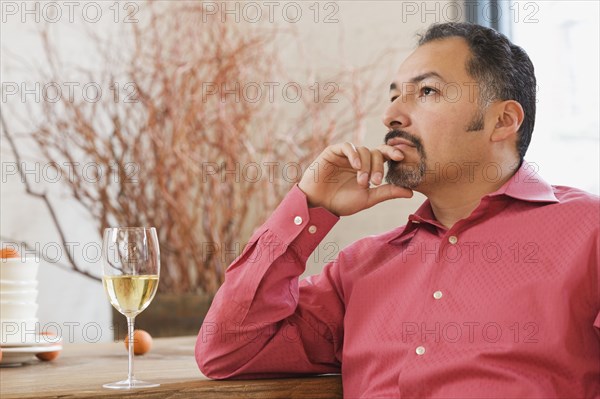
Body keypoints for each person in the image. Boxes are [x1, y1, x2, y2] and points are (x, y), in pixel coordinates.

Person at [195, 22, 600, 398]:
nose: (391, 115)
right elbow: (228, 350)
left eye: (427, 92)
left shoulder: (589, 231)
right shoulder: (360, 268)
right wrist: (310, 204)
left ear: (503, 121)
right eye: (393, 96)